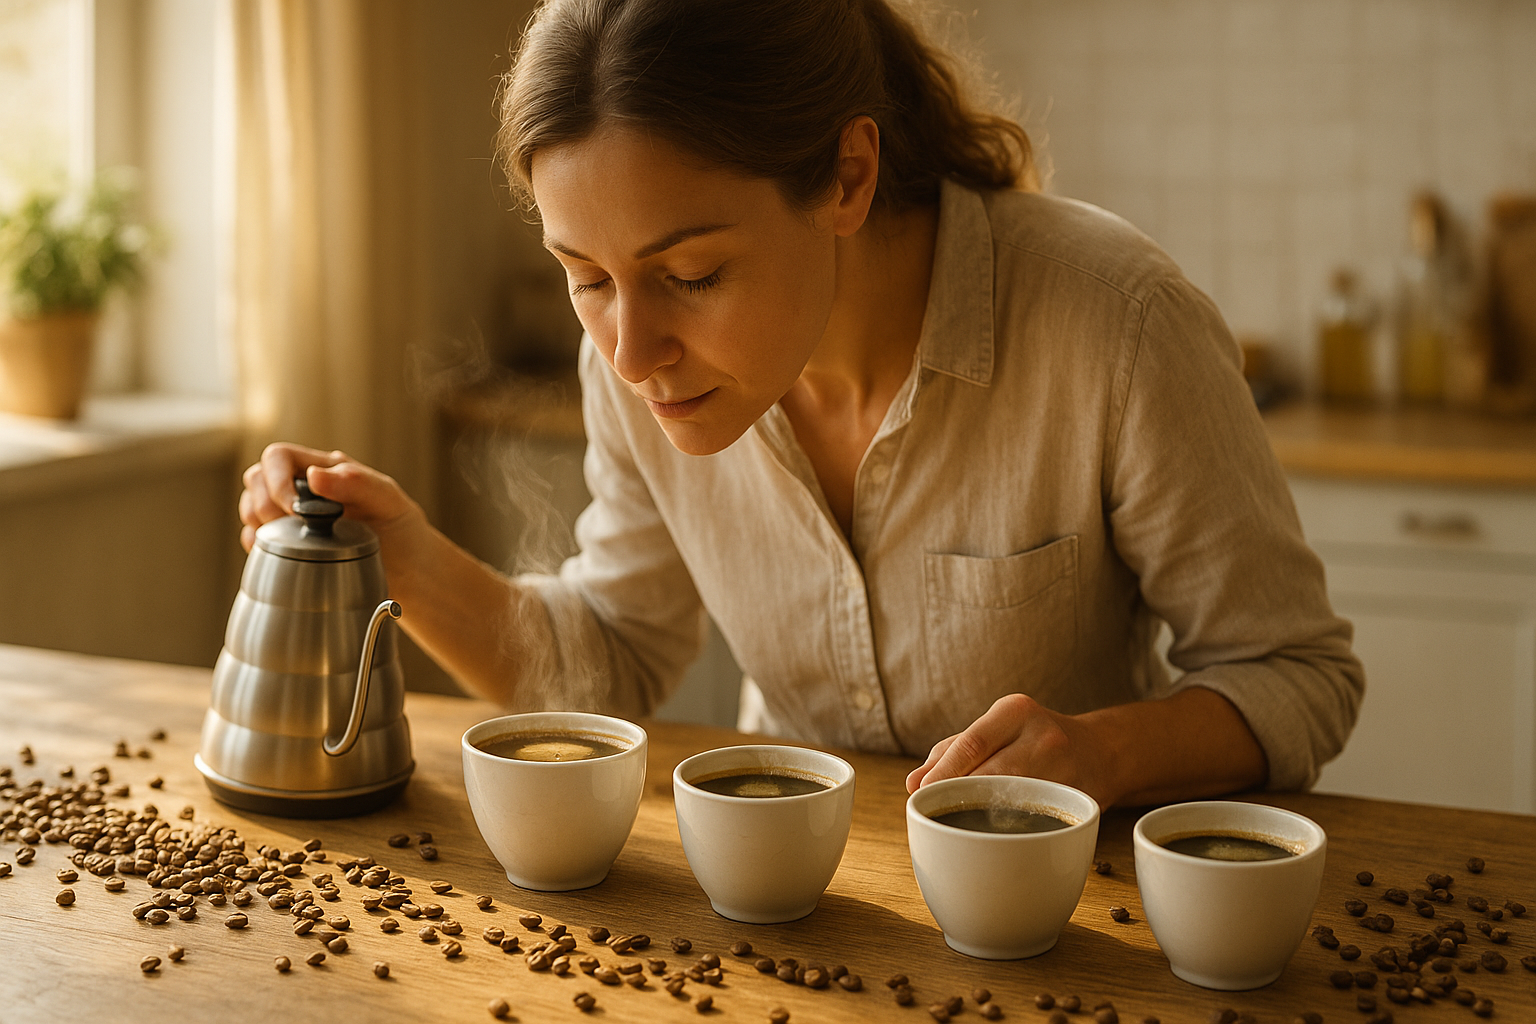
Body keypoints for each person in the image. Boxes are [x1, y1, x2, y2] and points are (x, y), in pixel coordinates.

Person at [239, 0, 1363, 810]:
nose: (631, 350)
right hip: (798, 906)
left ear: (847, 177)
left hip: (1078, 922)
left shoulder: (1118, 324)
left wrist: (1107, 753)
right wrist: (409, 559)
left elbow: (1295, 677)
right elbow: (610, 663)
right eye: (584, 275)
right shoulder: (636, 366)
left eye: (691, 275)